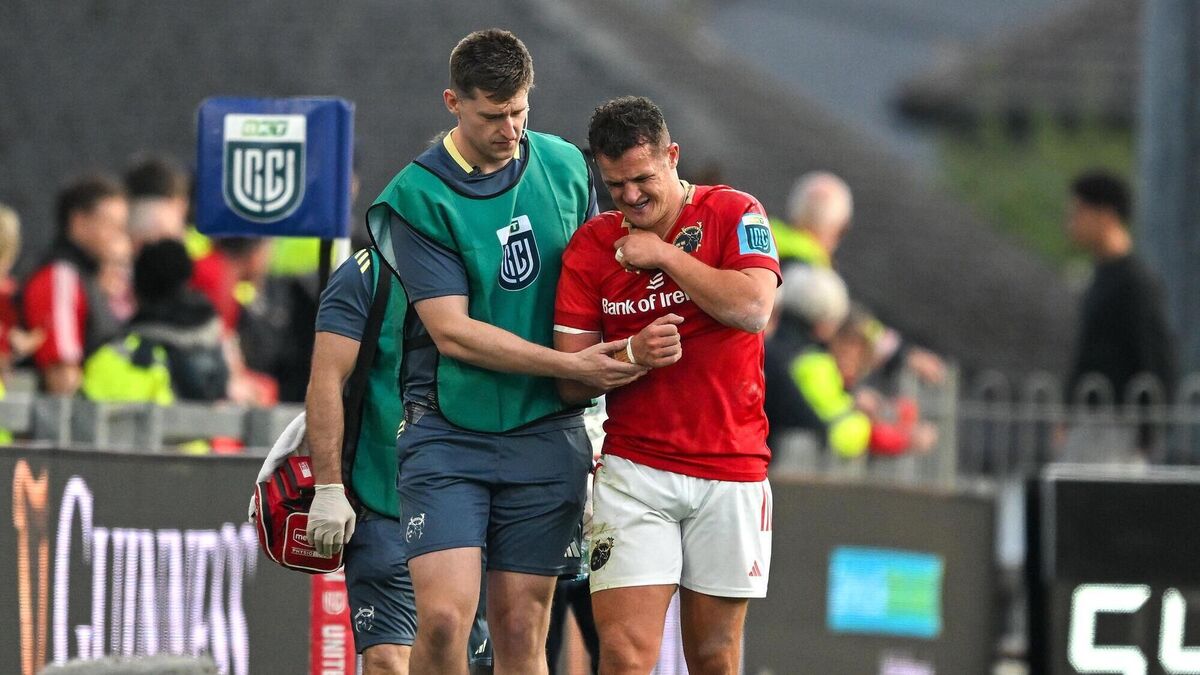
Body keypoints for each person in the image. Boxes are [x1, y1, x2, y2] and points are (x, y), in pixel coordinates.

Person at [363, 29, 642, 675]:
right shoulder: (417, 195)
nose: (510, 129)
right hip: (449, 429)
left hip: (547, 430)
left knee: (521, 629)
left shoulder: (566, 165)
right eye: (493, 115)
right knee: (443, 621)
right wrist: (570, 366)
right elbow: (453, 332)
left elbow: (599, 280)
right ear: (453, 103)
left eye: (519, 110)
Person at [554, 95, 780, 674]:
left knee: (713, 657)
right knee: (625, 656)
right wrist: (633, 354)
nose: (630, 197)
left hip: (730, 469)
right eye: (614, 186)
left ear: (672, 156)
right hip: (636, 472)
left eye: (642, 179)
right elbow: (569, 381)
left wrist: (663, 256)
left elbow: (753, 308)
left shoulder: (735, 212)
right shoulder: (592, 246)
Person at [302, 246, 492, 675]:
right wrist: (329, 488)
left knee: (460, 651)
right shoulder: (368, 273)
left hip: (473, 502)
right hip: (382, 497)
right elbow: (326, 378)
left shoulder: (491, 257)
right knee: (387, 659)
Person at [775, 172, 946, 385]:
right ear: (840, 228)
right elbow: (850, 320)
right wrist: (903, 355)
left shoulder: (762, 244)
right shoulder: (813, 280)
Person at [1064, 170, 1177, 456]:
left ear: (1106, 215)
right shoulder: (1100, 275)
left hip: (1119, 429)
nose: (1072, 222)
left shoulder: (1135, 282)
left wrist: (1147, 434)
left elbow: (1156, 357)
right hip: (1090, 422)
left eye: (1080, 212)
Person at [23, 175, 129, 395]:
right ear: (79, 222)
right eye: (110, 224)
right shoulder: (61, 276)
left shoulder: (87, 279)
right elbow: (62, 375)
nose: (118, 235)